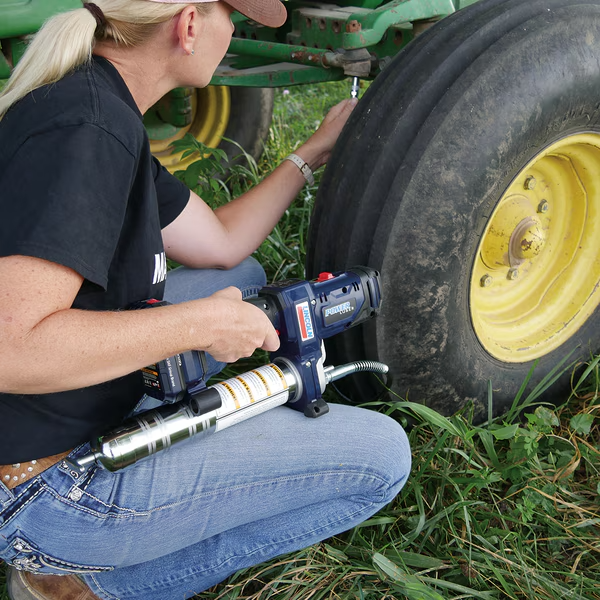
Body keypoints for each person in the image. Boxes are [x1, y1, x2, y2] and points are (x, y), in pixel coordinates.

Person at [0, 1, 412, 599]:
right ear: (189, 24)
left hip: (39, 424)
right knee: (381, 458)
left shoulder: (94, 99)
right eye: (233, 20)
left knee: (245, 275)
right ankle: (76, 581)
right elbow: (12, 349)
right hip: (42, 486)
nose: (234, 34)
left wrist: (313, 151)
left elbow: (222, 244)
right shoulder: (89, 132)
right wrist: (197, 324)